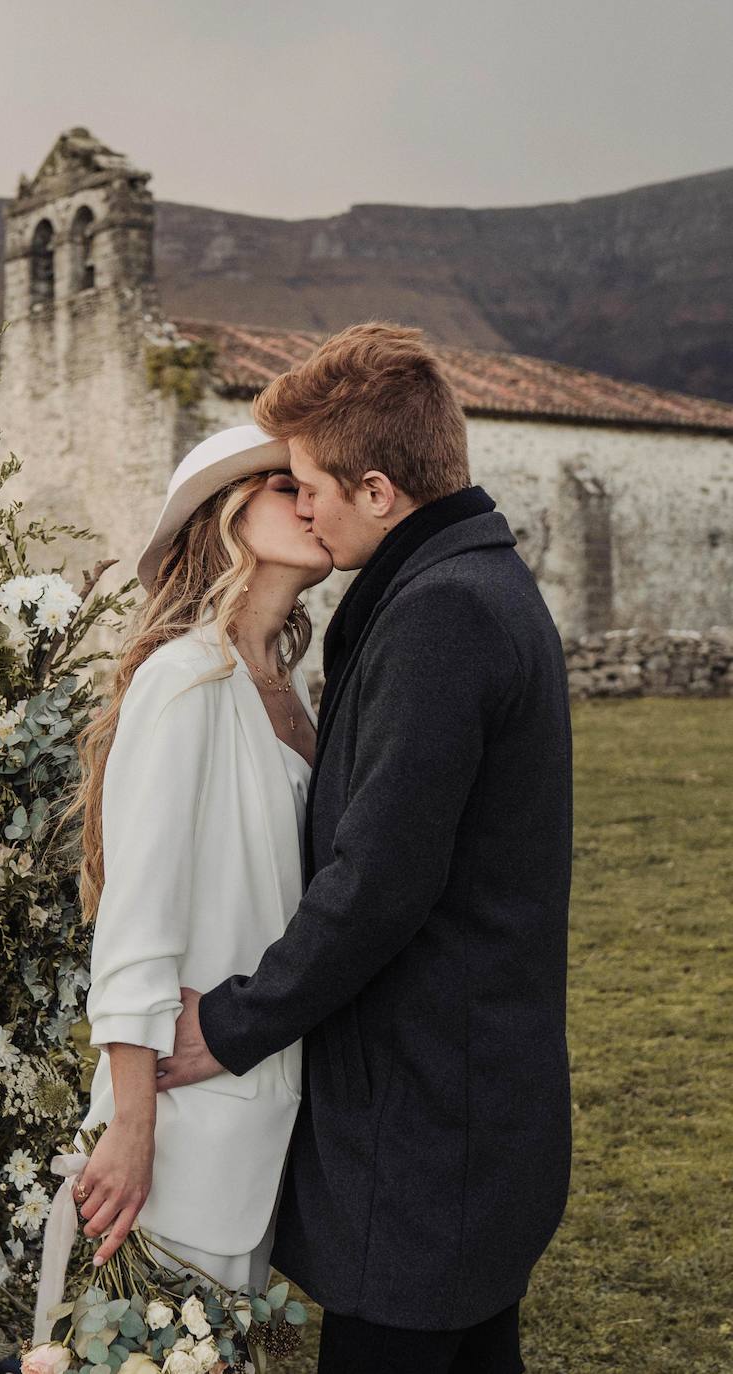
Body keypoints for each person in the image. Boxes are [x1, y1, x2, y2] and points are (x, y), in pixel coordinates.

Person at [154, 322, 574, 1374]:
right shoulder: (469, 586)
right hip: (469, 1113)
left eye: (312, 485)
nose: (305, 505)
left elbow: (381, 880)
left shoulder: (443, 616)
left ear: (379, 490)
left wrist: (234, 1025)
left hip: (429, 1130)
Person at [31, 424, 334, 1345]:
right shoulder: (183, 678)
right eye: (289, 486)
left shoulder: (288, 690)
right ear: (230, 516)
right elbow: (136, 919)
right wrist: (130, 1133)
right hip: (172, 1123)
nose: (313, 501)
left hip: (260, 1106)